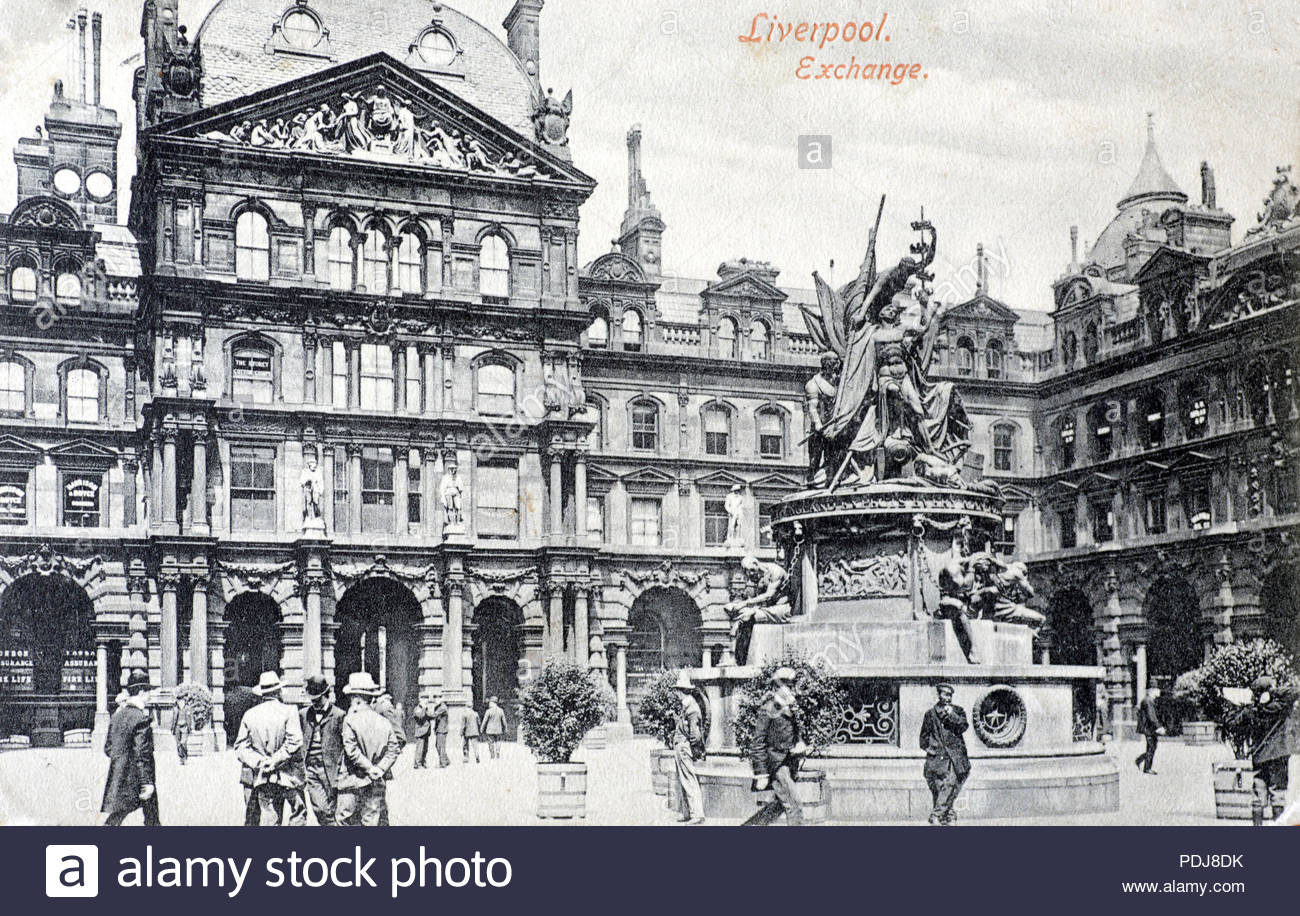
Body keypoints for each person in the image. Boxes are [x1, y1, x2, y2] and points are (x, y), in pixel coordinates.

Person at [235, 672, 306, 826]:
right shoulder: (290, 711)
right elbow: (295, 741)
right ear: (278, 691)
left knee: (269, 815)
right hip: (288, 775)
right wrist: (275, 760)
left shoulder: (250, 715)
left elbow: (240, 746)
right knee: (299, 812)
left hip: (262, 776)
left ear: (262, 694)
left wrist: (260, 762)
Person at [336, 672, 402, 826]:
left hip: (351, 780)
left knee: (344, 819)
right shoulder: (383, 722)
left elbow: (351, 751)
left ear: (356, 699)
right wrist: (379, 768)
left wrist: (368, 767)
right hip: (375, 780)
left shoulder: (349, 720)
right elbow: (394, 748)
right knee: (371, 820)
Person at [743, 667, 806, 826]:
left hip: (788, 763)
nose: (790, 689)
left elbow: (793, 733)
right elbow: (758, 742)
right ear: (776, 688)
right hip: (776, 765)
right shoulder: (769, 709)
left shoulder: (789, 708)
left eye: (791, 685)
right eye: (786, 685)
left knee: (779, 805)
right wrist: (761, 773)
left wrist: (799, 743)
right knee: (794, 805)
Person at [102, 670, 160, 826]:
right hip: (139, 778)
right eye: (148, 693)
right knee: (151, 818)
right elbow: (142, 753)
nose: (149, 697)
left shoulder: (117, 716)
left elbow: (108, 748)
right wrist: (146, 782)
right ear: (141, 692)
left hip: (120, 776)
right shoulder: (141, 719)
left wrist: (121, 758)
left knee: (118, 815)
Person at [919, 683, 970, 825]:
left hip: (956, 756)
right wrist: (932, 750)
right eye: (945, 694)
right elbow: (923, 738)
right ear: (939, 695)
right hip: (938, 757)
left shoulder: (958, 711)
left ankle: (936, 815)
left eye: (950, 695)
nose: (948, 698)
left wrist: (951, 715)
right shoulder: (930, 714)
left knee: (951, 783)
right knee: (940, 787)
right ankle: (949, 815)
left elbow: (963, 726)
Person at [300, 675, 344, 826]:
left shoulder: (339, 715)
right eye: (312, 700)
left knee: (333, 808)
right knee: (320, 808)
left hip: (331, 770)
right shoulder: (303, 714)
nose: (315, 703)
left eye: (318, 699)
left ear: (326, 695)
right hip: (311, 768)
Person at [672, 672, 705, 824]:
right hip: (682, 747)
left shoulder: (691, 709)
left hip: (684, 748)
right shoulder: (687, 707)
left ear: (682, 691)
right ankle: (688, 813)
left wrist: (691, 749)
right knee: (683, 780)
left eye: (678, 690)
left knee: (689, 780)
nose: (676, 693)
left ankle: (697, 814)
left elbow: (695, 735)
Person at [1134, 687, 1165, 775]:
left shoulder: (1149, 700)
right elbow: (1151, 716)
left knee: (1152, 746)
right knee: (1151, 747)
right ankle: (1146, 767)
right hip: (1149, 728)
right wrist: (1158, 727)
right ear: (1152, 691)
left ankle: (1140, 760)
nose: (1159, 691)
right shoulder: (1148, 701)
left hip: (1149, 728)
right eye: (1157, 689)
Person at [411, 695, 434, 770]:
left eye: (426, 699)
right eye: (424, 699)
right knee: (420, 749)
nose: (426, 701)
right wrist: (424, 708)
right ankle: (417, 764)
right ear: (420, 700)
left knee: (425, 748)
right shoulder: (417, 709)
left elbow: (431, 715)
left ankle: (423, 762)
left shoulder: (425, 708)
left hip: (426, 731)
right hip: (421, 731)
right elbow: (420, 716)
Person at [431, 692, 451, 767]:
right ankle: (446, 760)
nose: (436, 700)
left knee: (441, 746)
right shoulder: (438, 707)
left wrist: (425, 711)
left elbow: (434, 715)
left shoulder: (443, 707)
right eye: (435, 698)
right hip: (439, 729)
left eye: (438, 698)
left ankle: (442, 763)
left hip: (442, 730)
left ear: (441, 699)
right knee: (438, 745)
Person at [172, 696, 191, 766]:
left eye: (181, 701)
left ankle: (185, 757)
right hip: (177, 727)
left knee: (183, 742)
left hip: (184, 727)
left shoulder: (187, 708)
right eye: (179, 701)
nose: (180, 703)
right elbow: (173, 719)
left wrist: (190, 728)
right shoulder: (175, 709)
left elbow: (189, 719)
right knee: (178, 744)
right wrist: (172, 729)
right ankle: (181, 758)